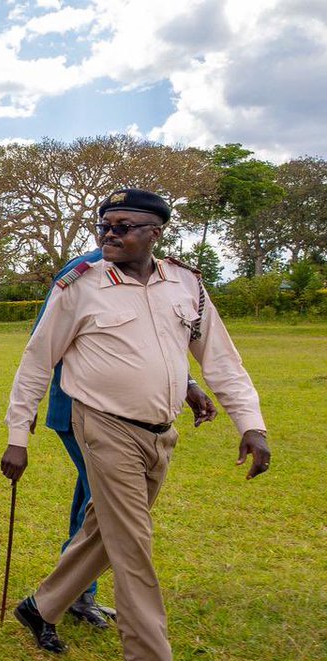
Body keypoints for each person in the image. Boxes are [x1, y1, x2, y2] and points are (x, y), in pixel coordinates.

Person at [1, 188, 271, 661]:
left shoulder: (186, 286)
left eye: (124, 225)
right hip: (101, 425)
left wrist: (252, 423)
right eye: (105, 223)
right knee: (134, 548)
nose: (110, 232)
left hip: (160, 433)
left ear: (155, 231)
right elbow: (37, 360)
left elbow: (219, 358)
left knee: (106, 531)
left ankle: (42, 605)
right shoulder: (81, 286)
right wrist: (17, 433)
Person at [35, 249, 218, 628]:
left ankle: (61, 599)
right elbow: (45, 341)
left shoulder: (164, 277)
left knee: (94, 504)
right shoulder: (85, 274)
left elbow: (159, 342)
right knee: (104, 509)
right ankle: (72, 598)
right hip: (85, 413)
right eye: (114, 224)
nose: (118, 233)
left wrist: (187, 384)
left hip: (135, 421)